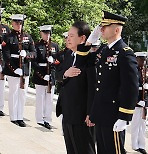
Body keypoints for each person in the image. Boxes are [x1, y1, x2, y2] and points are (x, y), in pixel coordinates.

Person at [88, 11, 139, 154]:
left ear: (116, 30)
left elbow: (131, 88)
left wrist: (124, 116)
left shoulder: (125, 53)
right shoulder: (104, 50)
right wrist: (89, 43)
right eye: (101, 26)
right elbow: (85, 63)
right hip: (101, 113)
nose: (101, 29)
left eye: (105, 26)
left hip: (115, 115)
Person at [56, 21, 96, 154]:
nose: (68, 39)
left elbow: (93, 88)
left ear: (82, 38)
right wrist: (65, 74)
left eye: (71, 36)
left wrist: (91, 113)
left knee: (84, 149)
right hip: (67, 112)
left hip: (82, 116)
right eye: (67, 35)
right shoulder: (68, 55)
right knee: (71, 149)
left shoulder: (90, 59)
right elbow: (57, 74)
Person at [2, 14, 36, 127]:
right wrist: (15, 69)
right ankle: (13, 117)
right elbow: (6, 56)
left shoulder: (27, 37)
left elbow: (34, 53)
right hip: (13, 69)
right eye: (16, 23)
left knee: (22, 94)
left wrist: (27, 54)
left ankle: (20, 116)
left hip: (25, 69)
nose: (18, 25)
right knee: (14, 93)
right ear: (12, 23)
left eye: (20, 23)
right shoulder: (8, 37)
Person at [32, 25, 59, 129]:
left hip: (51, 76)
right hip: (40, 75)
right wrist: (43, 76)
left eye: (48, 33)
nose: (47, 35)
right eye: (45, 33)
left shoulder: (55, 46)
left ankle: (47, 119)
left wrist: (52, 74)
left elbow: (57, 62)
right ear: (41, 34)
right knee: (40, 99)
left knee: (49, 99)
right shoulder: (37, 46)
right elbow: (34, 62)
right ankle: (39, 119)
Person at [131, 52, 148, 154]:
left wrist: (145, 102)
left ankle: (141, 145)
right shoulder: (134, 72)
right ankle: (134, 145)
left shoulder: (146, 72)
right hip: (136, 104)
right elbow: (132, 89)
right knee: (135, 125)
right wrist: (137, 101)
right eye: (140, 59)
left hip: (144, 104)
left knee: (142, 126)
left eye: (144, 59)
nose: (142, 61)